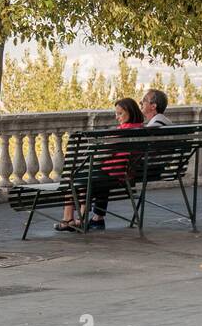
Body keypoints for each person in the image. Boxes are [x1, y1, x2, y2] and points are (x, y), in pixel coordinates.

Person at [57, 97, 144, 232]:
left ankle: (70, 219)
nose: (117, 117)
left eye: (120, 113)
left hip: (112, 173)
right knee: (86, 177)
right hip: (125, 175)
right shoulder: (142, 130)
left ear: (131, 112)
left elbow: (102, 154)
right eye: (116, 113)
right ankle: (83, 219)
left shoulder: (122, 133)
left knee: (73, 177)